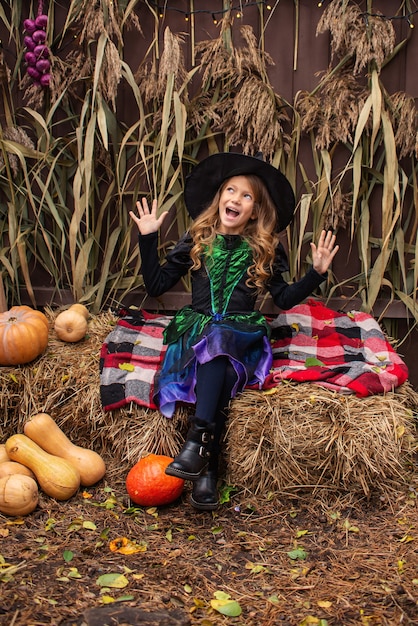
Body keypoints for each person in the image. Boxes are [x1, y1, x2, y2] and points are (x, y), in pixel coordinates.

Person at [129, 152, 339, 511]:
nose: (235, 199)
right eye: (230, 190)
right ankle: (208, 467)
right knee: (219, 360)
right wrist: (148, 238)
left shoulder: (266, 249)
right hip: (197, 329)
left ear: (255, 211)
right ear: (219, 197)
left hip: (241, 333)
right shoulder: (197, 239)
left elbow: (284, 298)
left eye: (246, 196)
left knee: (222, 339)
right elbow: (157, 283)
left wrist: (315, 274)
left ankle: (196, 444)